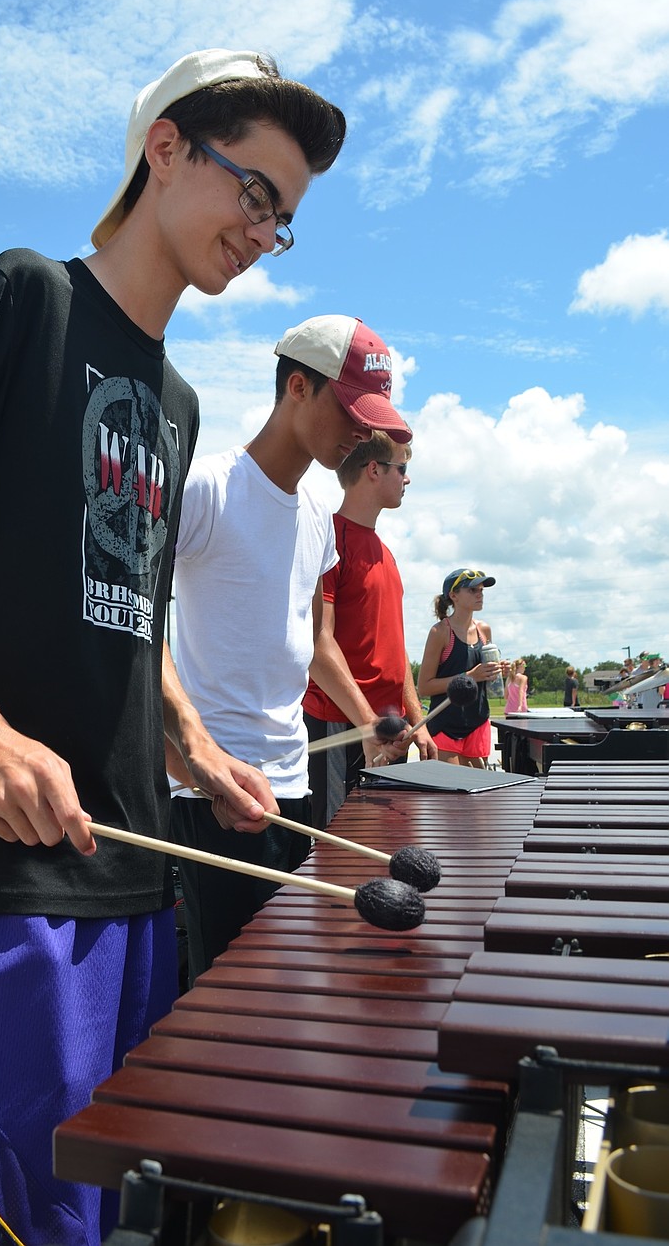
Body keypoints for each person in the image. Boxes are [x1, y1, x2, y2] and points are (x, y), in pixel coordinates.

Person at [0, 49, 346, 1246]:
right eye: (253, 190)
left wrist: (195, 747)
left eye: (283, 218)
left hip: (134, 868)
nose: (262, 231)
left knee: (98, 1218)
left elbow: (131, 610)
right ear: (165, 148)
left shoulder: (179, 403)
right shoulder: (25, 298)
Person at [169, 315, 411, 981]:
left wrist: (368, 724)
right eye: (352, 413)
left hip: (293, 783)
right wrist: (189, 759)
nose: (363, 434)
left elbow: (316, 642)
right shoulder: (205, 488)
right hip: (215, 793)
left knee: (292, 981)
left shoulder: (315, 520)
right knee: (227, 993)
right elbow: (140, 626)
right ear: (298, 387)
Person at [303, 430, 436, 829]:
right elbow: (317, 643)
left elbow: (395, 648)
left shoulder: (387, 554)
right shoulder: (328, 541)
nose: (407, 478)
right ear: (374, 470)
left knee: (387, 843)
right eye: (402, 468)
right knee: (337, 848)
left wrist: (417, 719)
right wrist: (366, 722)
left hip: (392, 729)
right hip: (341, 724)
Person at [417, 569, 502, 768]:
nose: (480, 594)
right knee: (451, 786)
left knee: (479, 786)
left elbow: (484, 676)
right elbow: (424, 687)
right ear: (453, 595)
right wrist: (469, 677)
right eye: (472, 590)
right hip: (446, 724)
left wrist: (497, 672)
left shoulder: (484, 630)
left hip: (478, 721)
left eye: (481, 590)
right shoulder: (440, 632)